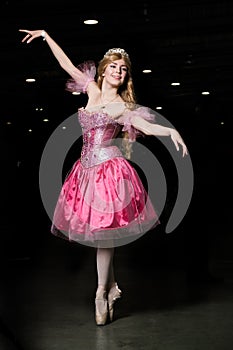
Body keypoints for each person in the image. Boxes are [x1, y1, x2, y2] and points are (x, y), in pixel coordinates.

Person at [19, 29, 188, 326]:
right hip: (84, 172)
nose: (118, 72)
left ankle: (100, 292)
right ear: (104, 68)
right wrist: (47, 36)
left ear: (126, 77)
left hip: (109, 173)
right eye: (113, 66)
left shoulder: (122, 107)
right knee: (101, 235)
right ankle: (111, 287)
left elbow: (145, 127)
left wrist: (170, 130)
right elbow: (68, 66)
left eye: (123, 69)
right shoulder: (93, 93)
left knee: (104, 235)